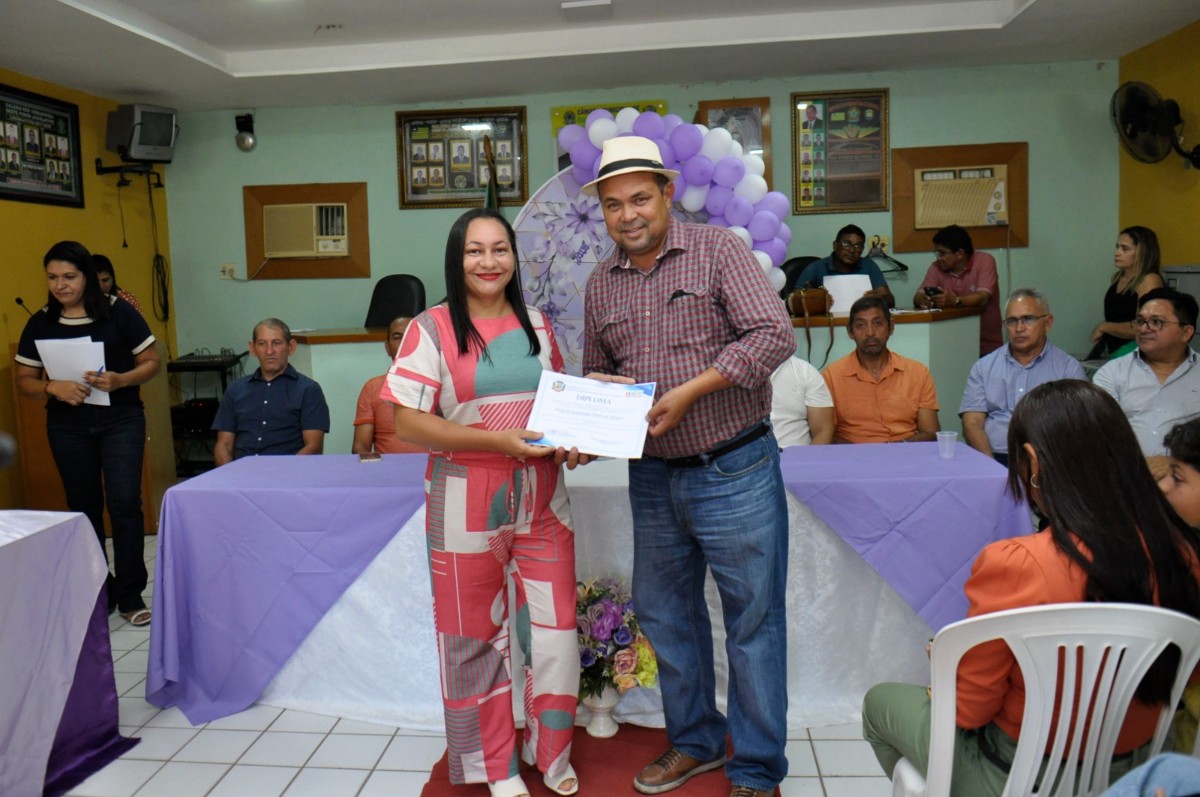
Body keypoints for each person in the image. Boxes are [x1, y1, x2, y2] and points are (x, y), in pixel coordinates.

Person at [581, 136, 795, 797]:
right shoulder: (599, 283)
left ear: (668, 194)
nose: (628, 215)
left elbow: (773, 335)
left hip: (735, 466)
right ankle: (696, 740)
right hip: (652, 476)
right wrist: (584, 421)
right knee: (667, 615)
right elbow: (600, 375)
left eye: (640, 197)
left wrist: (693, 389)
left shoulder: (720, 250)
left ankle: (757, 768)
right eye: (614, 205)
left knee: (752, 621)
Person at [863, 380, 1200, 796]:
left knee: (879, 703)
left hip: (1016, 776)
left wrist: (949, 663)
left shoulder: (1016, 562)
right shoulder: (1183, 556)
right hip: (1138, 771)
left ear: (1033, 462)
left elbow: (969, 711)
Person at [382, 208, 580, 797]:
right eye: (475, 251)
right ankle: (495, 765)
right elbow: (409, 424)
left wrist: (580, 439)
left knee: (556, 630)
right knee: (473, 639)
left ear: (514, 258)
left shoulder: (540, 326)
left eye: (499, 249)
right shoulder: (431, 328)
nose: (488, 262)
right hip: (464, 497)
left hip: (545, 499)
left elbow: (560, 409)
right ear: (456, 258)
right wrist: (496, 441)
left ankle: (551, 749)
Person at [14, 241, 161, 627]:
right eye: (53, 278)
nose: (61, 285)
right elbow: (24, 379)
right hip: (68, 425)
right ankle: (100, 589)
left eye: (69, 277)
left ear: (87, 278)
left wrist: (121, 379)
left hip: (122, 419)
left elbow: (151, 361)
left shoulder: (117, 312)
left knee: (125, 503)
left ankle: (130, 595)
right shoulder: (41, 321)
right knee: (83, 507)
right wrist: (52, 387)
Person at [959, 289, 1086, 465]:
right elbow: (972, 424)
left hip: (1049, 461)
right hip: (994, 457)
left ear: (1047, 323)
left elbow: (1076, 426)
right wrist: (990, 468)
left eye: (1028, 319)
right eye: (1012, 321)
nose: (1019, 328)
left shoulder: (1068, 369)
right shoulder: (984, 367)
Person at [1094, 288, 1199, 456]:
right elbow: (1101, 435)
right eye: (1140, 321)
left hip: (1190, 477)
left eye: (1156, 322)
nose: (1144, 329)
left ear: (1186, 333)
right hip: (1127, 475)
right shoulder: (1111, 373)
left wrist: (1176, 464)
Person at [211, 318, 330, 465]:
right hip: (240, 476)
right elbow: (224, 444)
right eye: (262, 344)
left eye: (276, 343)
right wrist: (229, 477)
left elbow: (313, 447)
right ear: (252, 348)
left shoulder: (308, 390)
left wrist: (280, 476)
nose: (269, 351)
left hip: (288, 476)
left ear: (291, 347)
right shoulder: (235, 389)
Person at [822, 296, 939, 444]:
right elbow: (825, 433)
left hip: (905, 453)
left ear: (891, 327)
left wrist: (895, 449)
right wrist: (864, 455)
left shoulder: (918, 372)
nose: (870, 332)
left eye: (877, 323)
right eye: (860, 325)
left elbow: (930, 432)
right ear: (850, 331)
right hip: (854, 459)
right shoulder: (831, 376)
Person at [913, 225, 1002, 356]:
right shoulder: (936, 267)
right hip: (950, 344)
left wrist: (954, 301)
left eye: (942, 253)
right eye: (937, 253)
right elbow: (917, 296)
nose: (938, 258)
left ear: (960, 253)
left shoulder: (985, 261)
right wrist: (924, 301)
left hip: (986, 344)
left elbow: (983, 297)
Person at [351, 316, 424, 455]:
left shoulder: (443, 387)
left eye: (411, 336)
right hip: (388, 472)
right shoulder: (372, 388)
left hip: (434, 472)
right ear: (387, 347)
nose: (404, 343)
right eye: (397, 337)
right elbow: (360, 447)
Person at [1090, 226, 1164, 359]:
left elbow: (1144, 325)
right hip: (1114, 350)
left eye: (1125, 248)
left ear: (1142, 252)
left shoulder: (1149, 280)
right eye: (1117, 247)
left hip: (1138, 353)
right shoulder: (1116, 278)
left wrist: (1105, 327)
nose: (1117, 253)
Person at [795, 224, 895, 308]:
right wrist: (815, 300)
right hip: (826, 324)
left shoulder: (869, 266)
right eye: (846, 244)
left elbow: (890, 300)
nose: (852, 250)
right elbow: (794, 301)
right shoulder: (816, 268)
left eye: (858, 246)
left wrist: (879, 298)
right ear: (835, 245)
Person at [769, 356, 834, 446]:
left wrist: (810, 459)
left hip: (798, 457)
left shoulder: (805, 371)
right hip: (747, 456)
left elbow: (822, 431)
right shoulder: (743, 373)